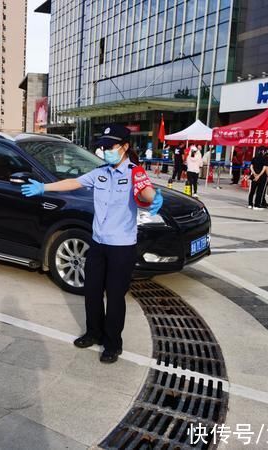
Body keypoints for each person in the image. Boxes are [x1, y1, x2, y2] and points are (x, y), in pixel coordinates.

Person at [21, 124, 163, 364]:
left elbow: (145, 193)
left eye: (110, 146)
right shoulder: (100, 172)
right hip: (97, 243)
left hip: (121, 247)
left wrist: (153, 197)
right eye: (103, 146)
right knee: (92, 291)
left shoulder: (135, 173)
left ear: (125, 147)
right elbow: (74, 183)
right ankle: (93, 333)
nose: (105, 150)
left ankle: (112, 343)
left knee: (116, 297)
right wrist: (44, 187)